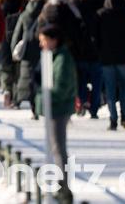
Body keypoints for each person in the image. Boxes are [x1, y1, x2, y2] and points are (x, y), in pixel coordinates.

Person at [35, 24, 76, 204]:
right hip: (56, 107)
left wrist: (41, 98)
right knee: (55, 147)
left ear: (53, 40)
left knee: (58, 149)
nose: (41, 44)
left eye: (44, 40)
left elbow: (61, 87)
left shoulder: (63, 59)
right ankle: (59, 185)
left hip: (59, 108)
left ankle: (64, 188)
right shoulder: (55, 56)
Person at [95, 0, 125, 130]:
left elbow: (96, 36)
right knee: (124, 87)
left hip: (107, 57)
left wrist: (100, 49)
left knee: (110, 89)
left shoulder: (101, 15)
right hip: (124, 57)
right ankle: (124, 116)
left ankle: (113, 119)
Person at [12, 0, 48, 118]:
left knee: (25, 77)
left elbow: (17, 33)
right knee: (41, 79)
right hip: (42, 49)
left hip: (27, 49)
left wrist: (14, 50)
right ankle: (38, 106)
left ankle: (18, 100)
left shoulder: (25, 13)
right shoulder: (46, 13)